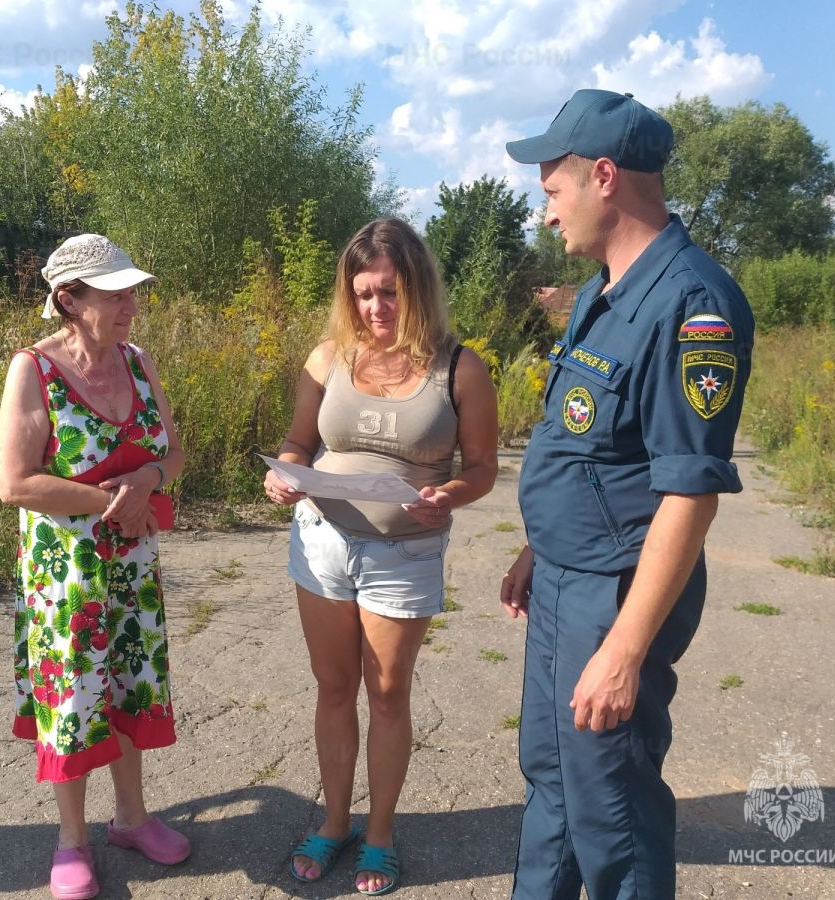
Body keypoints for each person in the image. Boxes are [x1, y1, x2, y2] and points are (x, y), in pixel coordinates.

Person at [498, 89, 755, 899]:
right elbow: (589, 451)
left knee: (613, 806)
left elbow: (690, 493)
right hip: (564, 580)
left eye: (550, 192)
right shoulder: (599, 296)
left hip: (616, 595)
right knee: (550, 776)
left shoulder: (692, 303)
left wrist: (625, 651)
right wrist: (539, 545)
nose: (546, 215)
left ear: (603, 176)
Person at [264, 217, 499, 896]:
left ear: (418, 287)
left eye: (389, 293)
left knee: (388, 693)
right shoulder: (328, 357)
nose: (375, 309)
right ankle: (335, 823)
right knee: (334, 688)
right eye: (363, 295)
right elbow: (296, 443)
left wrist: (448, 493)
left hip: (406, 550)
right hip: (322, 543)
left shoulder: (463, 367)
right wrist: (283, 475)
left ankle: (382, 833)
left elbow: (483, 466)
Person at [0, 234, 189, 900]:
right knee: (74, 701)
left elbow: (176, 455)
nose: (131, 303)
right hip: (67, 575)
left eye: (133, 290)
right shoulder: (34, 369)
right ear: (68, 300)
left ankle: (132, 819)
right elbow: (15, 483)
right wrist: (118, 501)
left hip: (132, 565)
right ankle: (72, 839)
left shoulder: (139, 361)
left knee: (131, 687)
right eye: (115, 293)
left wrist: (152, 478)